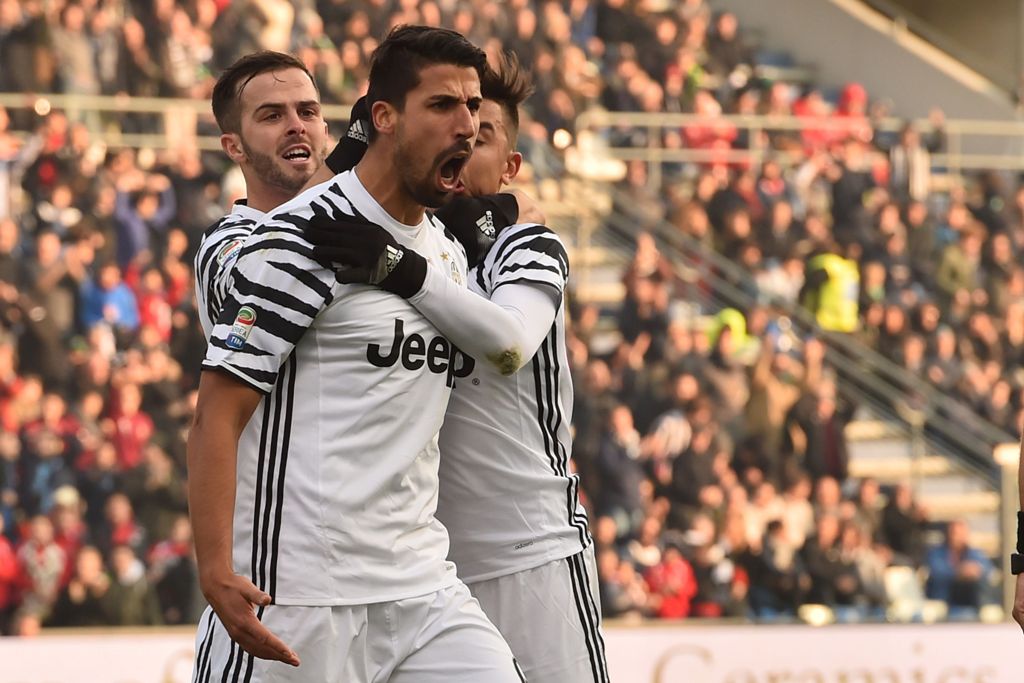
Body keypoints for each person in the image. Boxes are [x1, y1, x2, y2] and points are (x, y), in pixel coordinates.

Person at [188, 26, 523, 683]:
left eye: (473, 107)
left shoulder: (446, 256)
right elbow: (215, 415)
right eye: (442, 106)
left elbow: (507, 345)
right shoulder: (295, 240)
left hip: (422, 586)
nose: (465, 125)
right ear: (384, 118)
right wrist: (214, 566)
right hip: (298, 595)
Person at [306, 53, 609, 683]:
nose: (464, 145)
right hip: (421, 572)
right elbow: (317, 218)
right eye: (450, 124)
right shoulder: (396, 242)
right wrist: (357, 151)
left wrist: (403, 267)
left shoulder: (525, 244)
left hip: (531, 555)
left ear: (510, 167)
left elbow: (510, 343)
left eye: (484, 136)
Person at [194, 51, 329, 337]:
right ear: (234, 147)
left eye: (307, 112)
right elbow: (266, 279)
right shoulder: (224, 243)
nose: (297, 126)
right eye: (272, 116)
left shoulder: (365, 225)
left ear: (325, 131)